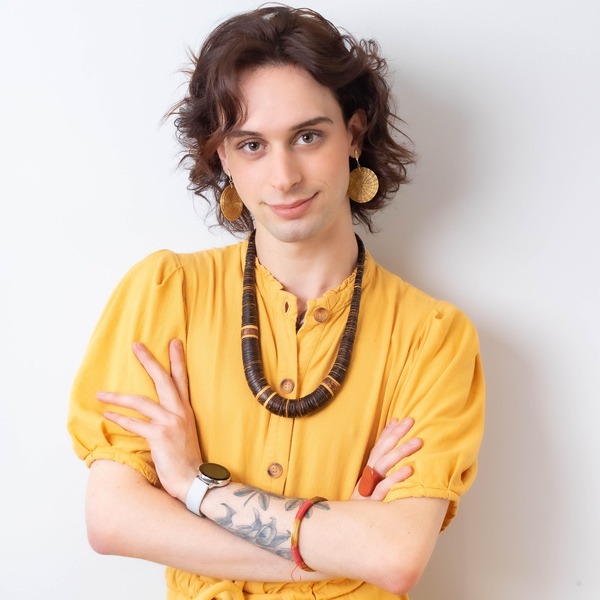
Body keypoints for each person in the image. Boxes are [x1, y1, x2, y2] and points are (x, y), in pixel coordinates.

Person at [68, 5, 484, 599]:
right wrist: (334, 544)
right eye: (252, 145)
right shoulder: (164, 295)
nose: (284, 176)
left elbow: (394, 555)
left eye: (307, 136)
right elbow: (113, 519)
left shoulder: (432, 337)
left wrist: (193, 487)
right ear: (224, 159)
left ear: (355, 135)